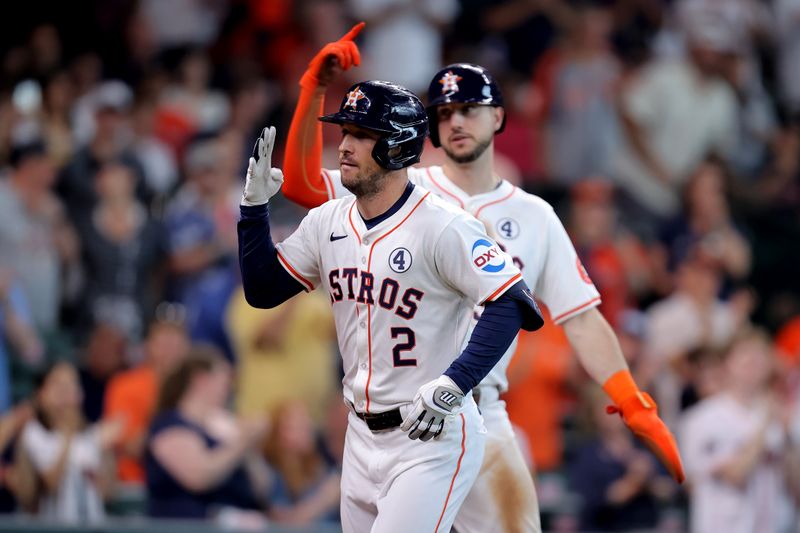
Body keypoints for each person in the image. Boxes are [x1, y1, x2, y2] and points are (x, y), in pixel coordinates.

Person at [279, 24, 685, 533]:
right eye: (443, 113)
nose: (455, 121)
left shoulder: (533, 215)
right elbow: (302, 185)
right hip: (391, 419)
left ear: (498, 116)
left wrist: (631, 399)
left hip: (477, 410)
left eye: (468, 108)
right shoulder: (398, 185)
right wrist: (312, 91)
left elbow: (581, 319)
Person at [238, 80, 544, 531]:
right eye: (344, 132)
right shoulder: (328, 221)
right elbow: (263, 290)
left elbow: (513, 303)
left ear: (399, 146)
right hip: (360, 436)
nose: (344, 145)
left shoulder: (443, 225)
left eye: (362, 135)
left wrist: (454, 384)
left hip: (429, 435)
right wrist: (253, 208)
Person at [144, 347, 268, 521]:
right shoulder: (169, 425)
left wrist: (249, 448)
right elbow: (199, 477)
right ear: (201, 379)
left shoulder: (224, 425)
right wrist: (241, 442)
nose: (228, 389)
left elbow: (261, 487)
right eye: (224, 380)